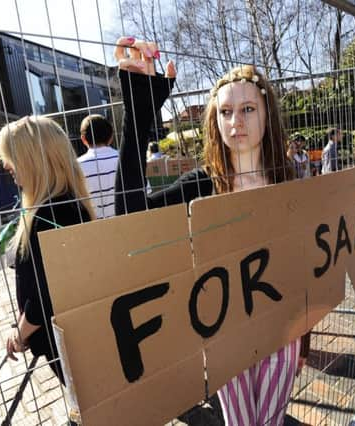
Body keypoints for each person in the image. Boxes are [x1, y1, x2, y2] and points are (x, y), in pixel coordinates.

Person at [113, 36, 307, 426]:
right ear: (214, 121)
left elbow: (304, 265)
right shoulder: (202, 185)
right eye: (226, 112)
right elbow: (131, 214)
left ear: (267, 114)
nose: (236, 122)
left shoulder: (290, 181)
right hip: (225, 339)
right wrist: (138, 112)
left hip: (282, 333)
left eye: (248, 109)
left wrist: (304, 341)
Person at [0, 115, 95, 383]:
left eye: (11, 156)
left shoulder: (55, 213)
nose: (6, 165)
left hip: (69, 344)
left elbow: (47, 295)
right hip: (68, 338)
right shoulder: (63, 205)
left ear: (33, 161)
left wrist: (20, 333)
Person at [77, 114, 119, 219]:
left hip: (93, 229)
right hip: (127, 225)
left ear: (83, 139)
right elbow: (146, 191)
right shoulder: (125, 160)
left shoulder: (76, 167)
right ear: (111, 137)